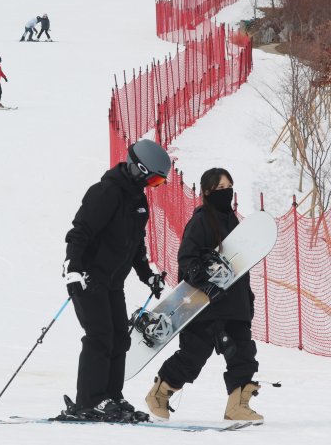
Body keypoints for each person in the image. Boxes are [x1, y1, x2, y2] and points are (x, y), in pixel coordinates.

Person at [63, 139, 170, 420]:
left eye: (159, 183)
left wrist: (148, 276)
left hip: (112, 282)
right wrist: (73, 269)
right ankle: (89, 401)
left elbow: (136, 246)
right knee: (100, 337)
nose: (154, 186)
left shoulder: (138, 201)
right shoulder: (105, 193)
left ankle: (111, 395)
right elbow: (80, 232)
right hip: (88, 277)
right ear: (138, 169)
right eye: (155, 180)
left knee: (120, 338)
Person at [145, 168, 263, 422]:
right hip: (205, 306)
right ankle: (159, 393)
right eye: (221, 188)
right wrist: (205, 276)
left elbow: (240, 266)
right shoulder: (200, 221)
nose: (227, 192)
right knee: (193, 355)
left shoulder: (234, 222)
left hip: (234, 305)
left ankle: (237, 406)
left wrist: (248, 300)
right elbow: (187, 260)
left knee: (243, 353)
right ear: (208, 192)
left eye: (229, 186)